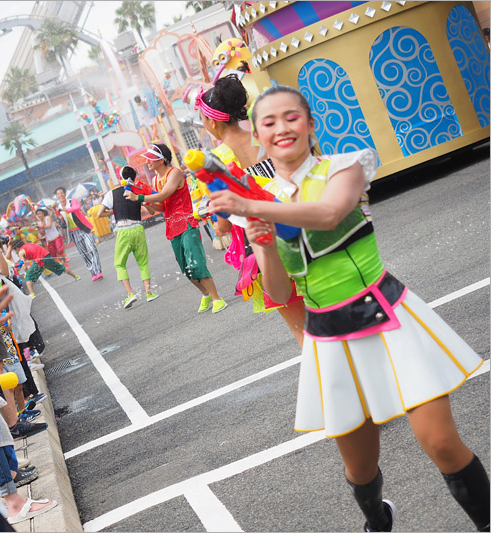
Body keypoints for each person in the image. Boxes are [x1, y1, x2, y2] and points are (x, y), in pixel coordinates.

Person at [209, 85, 489, 532]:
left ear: (310, 124)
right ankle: (378, 521)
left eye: (291, 117)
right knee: (360, 469)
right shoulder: (259, 202)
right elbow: (280, 294)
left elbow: (329, 214)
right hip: (328, 337)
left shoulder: (347, 165)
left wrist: (252, 206)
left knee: (440, 441)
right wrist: (262, 241)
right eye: (270, 122)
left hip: (389, 317)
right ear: (258, 136)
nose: (282, 127)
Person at [197, 74, 305, 346]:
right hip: (301, 227)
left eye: (202, 119)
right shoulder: (264, 137)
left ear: (212, 121)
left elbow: (223, 226)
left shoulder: (216, 162)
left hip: (264, 244)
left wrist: (215, 221)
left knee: (302, 331)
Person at [125, 143, 227, 314]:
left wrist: (140, 196)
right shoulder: (156, 180)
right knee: (185, 268)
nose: (148, 161)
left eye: (151, 158)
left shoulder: (175, 173)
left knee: (196, 263)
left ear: (162, 160)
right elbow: (162, 207)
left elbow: (165, 194)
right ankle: (205, 294)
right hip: (172, 227)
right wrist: (144, 202)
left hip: (187, 223)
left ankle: (217, 298)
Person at [98, 166, 159, 309]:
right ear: (134, 177)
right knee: (143, 262)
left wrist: (115, 211)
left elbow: (100, 213)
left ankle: (130, 294)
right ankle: (148, 293)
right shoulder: (137, 191)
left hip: (123, 230)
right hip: (138, 228)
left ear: (120, 177)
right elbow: (150, 210)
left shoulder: (112, 194)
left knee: (119, 264)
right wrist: (143, 202)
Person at [55, 187, 104, 280]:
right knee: (84, 253)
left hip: (83, 229)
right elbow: (63, 225)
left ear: (65, 194)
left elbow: (76, 207)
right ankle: (93, 272)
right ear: (57, 197)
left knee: (92, 248)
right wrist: (61, 220)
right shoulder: (59, 209)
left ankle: (98, 271)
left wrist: (66, 210)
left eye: (62, 193)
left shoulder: (72, 201)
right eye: (58, 194)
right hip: (73, 233)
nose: (60, 195)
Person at [11, 240, 81, 297]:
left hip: (40, 261)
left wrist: (25, 269)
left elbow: (23, 264)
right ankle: (76, 276)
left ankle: (32, 294)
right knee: (61, 267)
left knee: (28, 276)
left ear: (17, 247)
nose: (15, 251)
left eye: (14, 249)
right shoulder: (28, 244)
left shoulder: (20, 251)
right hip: (47, 256)